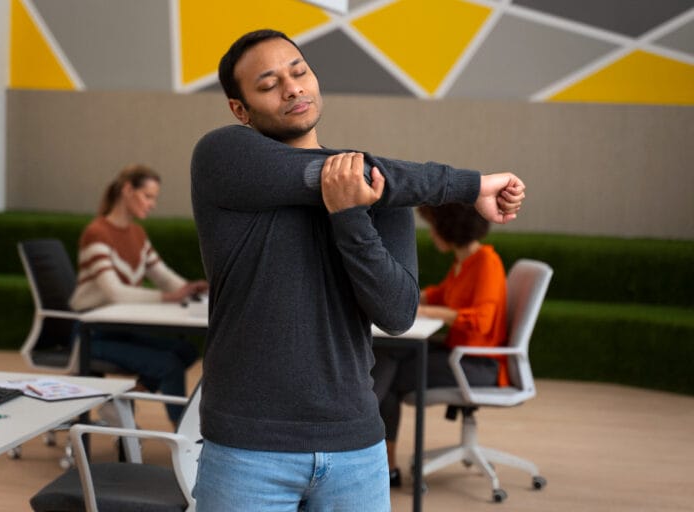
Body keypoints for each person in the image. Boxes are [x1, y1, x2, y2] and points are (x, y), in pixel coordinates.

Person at [190, 29, 525, 511]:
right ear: (241, 110)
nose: (292, 88)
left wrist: (350, 217)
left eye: (299, 71)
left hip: (356, 450)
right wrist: (469, 185)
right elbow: (342, 175)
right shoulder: (223, 158)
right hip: (249, 449)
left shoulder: (384, 196)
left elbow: (396, 314)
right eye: (268, 84)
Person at [371, 203, 508, 487]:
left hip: (477, 364)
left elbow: (481, 322)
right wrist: (405, 296)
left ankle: (366, 432)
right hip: (458, 353)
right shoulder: (464, 263)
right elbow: (438, 295)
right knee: (388, 354)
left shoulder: (486, 263)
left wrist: (424, 311)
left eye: (434, 227)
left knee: (388, 370)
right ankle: (384, 464)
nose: (432, 234)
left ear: (449, 229)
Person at [69, 163, 208, 425]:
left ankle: (121, 401)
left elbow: (162, 276)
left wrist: (190, 289)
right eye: (148, 196)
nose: (152, 204)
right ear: (127, 190)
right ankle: (184, 434)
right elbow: (115, 292)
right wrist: (168, 298)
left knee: (185, 349)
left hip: (121, 330)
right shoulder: (96, 233)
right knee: (168, 364)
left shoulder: (137, 233)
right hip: (91, 334)